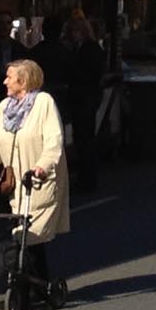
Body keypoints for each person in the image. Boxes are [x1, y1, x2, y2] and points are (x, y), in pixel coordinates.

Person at [0, 58, 69, 292]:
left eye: (9, 77)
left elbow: (54, 142)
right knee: (25, 238)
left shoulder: (44, 103)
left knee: (29, 236)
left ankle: (28, 287)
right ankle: (40, 285)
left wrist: (42, 167)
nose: (5, 81)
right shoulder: (4, 108)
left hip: (39, 182)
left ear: (23, 81)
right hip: (15, 185)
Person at [59, 12, 106, 194]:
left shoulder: (89, 49)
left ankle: (87, 179)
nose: (73, 34)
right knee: (82, 138)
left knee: (85, 138)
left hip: (85, 97)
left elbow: (90, 73)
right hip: (84, 97)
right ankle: (85, 177)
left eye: (75, 31)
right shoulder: (81, 48)